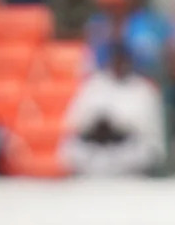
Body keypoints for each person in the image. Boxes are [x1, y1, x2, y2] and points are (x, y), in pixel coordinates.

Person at [60, 43, 166, 176]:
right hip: (96, 149)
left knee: (141, 153)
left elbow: (149, 132)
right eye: (116, 60)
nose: (119, 65)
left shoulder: (143, 89)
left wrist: (118, 126)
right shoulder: (95, 84)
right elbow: (74, 121)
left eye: (123, 61)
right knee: (71, 150)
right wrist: (97, 125)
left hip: (128, 150)